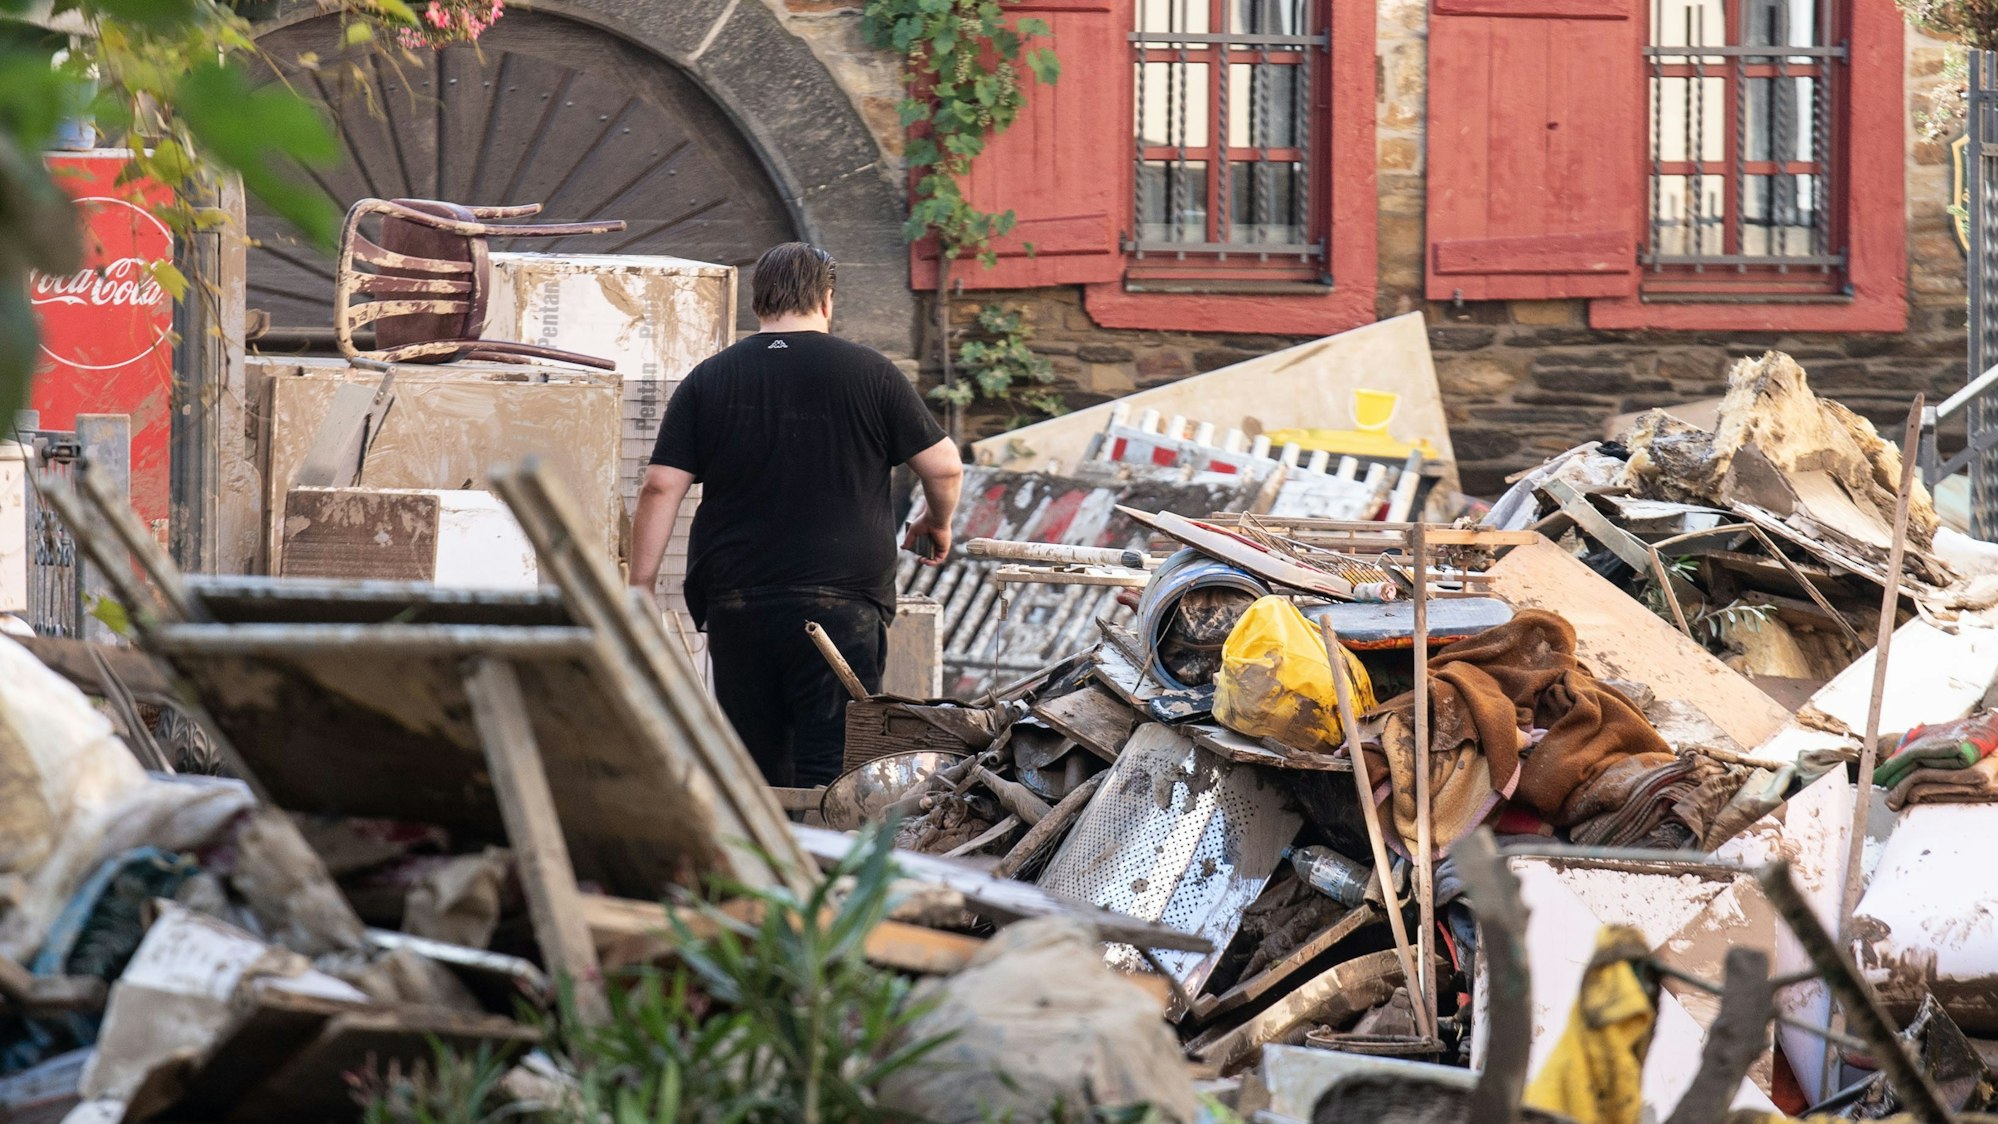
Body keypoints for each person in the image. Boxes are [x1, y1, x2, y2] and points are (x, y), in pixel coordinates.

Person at [628, 242, 963, 788]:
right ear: (827, 301)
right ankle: (824, 844)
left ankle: (767, 844)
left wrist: (640, 584)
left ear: (757, 302)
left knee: (759, 772)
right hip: (843, 605)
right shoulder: (871, 373)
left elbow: (661, 486)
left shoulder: (709, 379)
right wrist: (936, 521)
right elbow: (945, 468)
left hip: (738, 600)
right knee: (833, 770)